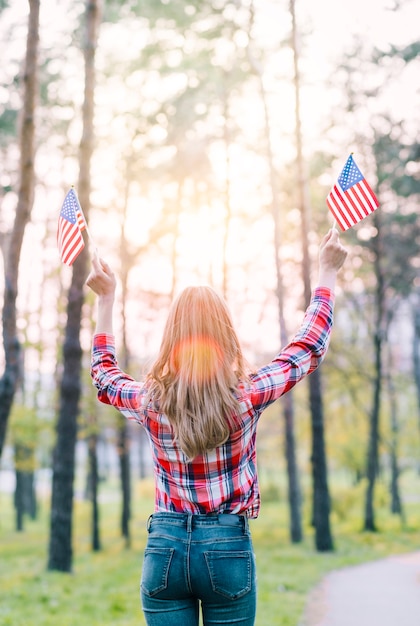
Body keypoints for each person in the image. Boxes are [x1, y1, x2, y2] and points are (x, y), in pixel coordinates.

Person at [86, 227, 347, 626]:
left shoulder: (149, 402)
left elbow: (104, 376)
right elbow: (308, 346)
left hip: (165, 551)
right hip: (227, 549)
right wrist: (327, 271)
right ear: (224, 334)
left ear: (171, 335)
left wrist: (106, 299)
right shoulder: (246, 397)